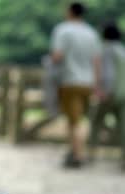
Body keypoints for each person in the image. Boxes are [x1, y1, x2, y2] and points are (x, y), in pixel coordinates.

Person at [51, 2, 101, 168]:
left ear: (71, 12)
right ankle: (76, 151)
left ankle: (78, 155)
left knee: (73, 121)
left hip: (70, 80)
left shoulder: (63, 30)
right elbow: (96, 61)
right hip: (88, 82)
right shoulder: (91, 32)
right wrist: (96, 84)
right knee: (81, 119)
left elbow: (57, 56)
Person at [89, 23, 125, 169]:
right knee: (123, 126)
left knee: (95, 121)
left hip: (110, 93)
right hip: (123, 94)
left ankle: (91, 152)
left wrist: (102, 91)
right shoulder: (122, 50)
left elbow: (108, 73)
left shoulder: (106, 50)